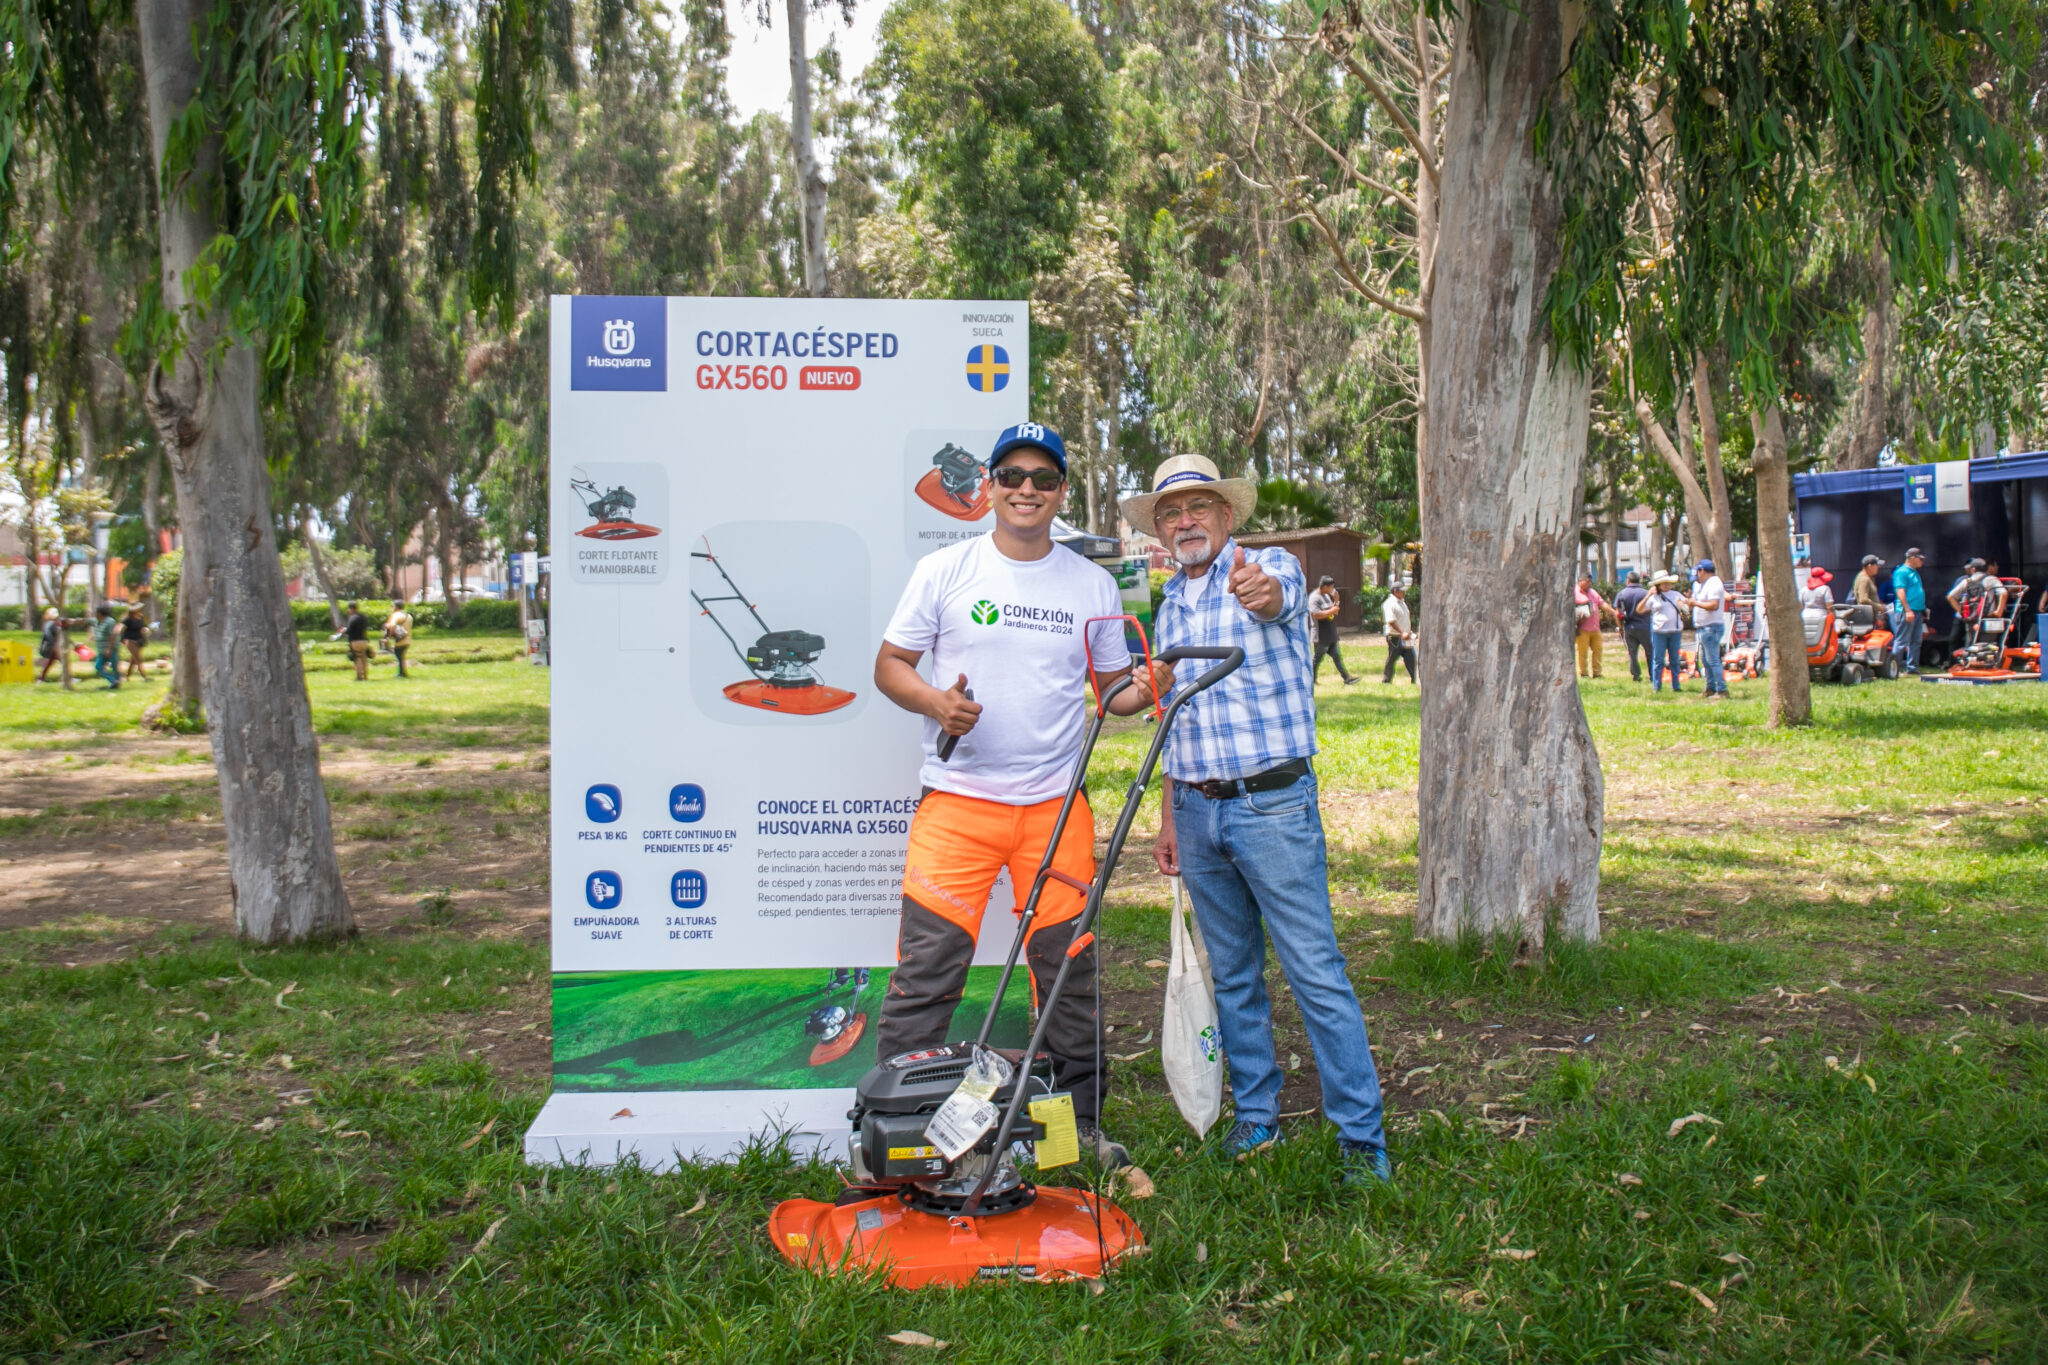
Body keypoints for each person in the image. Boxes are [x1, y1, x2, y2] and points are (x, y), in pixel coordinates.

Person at [875, 422, 1166, 1168]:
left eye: (1043, 477)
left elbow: (1112, 692)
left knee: (1067, 976)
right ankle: (894, 1138)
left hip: (1055, 810)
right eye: (1012, 476)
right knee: (927, 973)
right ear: (990, 487)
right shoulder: (945, 569)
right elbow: (890, 664)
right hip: (958, 806)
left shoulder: (1091, 583)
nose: (1026, 489)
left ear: (1061, 490)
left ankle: (1076, 1134)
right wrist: (936, 702)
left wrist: (1145, 685)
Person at [1127, 454, 1391, 1187]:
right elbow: (1176, 716)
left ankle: (1361, 1136)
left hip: (1270, 804)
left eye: (1199, 508)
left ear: (1226, 515)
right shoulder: (1169, 605)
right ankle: (1257, 1116)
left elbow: (1279, 598)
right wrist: (1169, 816)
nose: (1185, 522)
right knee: (1234, 973)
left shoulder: (1267, 566)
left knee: (1314, 971)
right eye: (1171, 513)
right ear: (1159, 529)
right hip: (1196, 807)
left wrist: (1265, 593)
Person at [1686, 559, 1730, 700]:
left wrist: (1696, 603)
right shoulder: (1700, 585)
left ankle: (1722, 690)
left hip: (1711, 627)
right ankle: (1710, 688)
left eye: (1698, 572)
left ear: (1702, 571)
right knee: (1705, 660)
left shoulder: (1714, 583)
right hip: (1702, 627)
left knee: (1713, 660)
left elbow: (1714, 605)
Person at [1307, 575, 1357, 685]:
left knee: (1337, 657)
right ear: (1324, 586)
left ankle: (1347, 678)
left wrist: (1336, 600)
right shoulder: (1314, 598)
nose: (1332, 589)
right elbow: (1316, 614)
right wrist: (1331, 610)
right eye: (1331, 587)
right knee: (1317, 659)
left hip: (1330, 632)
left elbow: (1335, 611)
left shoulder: (1326, 596)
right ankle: (1310, 680)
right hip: (1321, 634)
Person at [1646, 572, 1686, 693]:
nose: (1667, 585)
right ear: (1658, 585)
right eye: (1664, 583)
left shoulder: (1676, 595)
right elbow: (1641, 609)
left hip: (1674, 631)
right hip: (1659, 632)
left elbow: (1686, 607)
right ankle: (1656, 686)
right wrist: (1648, 595)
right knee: (1658, 660)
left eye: (1669, 583)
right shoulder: (1653, 597)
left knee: (1675, 659)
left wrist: (1684, 605)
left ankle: (1676, 685)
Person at [1947, 558, 1991, 661]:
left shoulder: (1981, 580)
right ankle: (1953, 661)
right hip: (1966, 616)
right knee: (1956, 640)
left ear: (1973, 569)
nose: (1968, 569)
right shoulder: (1963, 580)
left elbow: (1951, 596)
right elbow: (1951, 597)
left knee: (1975, 642)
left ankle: (1975, 661)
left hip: (1976, 617)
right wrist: (1961, 611)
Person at [1891, 548, 1927, 672]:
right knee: (1901, 641)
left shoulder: (1914, 572)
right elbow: (1900, 591)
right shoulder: (1902, 572)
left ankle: (1912, 667)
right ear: (1912, 558)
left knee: (1916, 641)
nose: (1922, 561)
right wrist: (1907, 610)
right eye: (1920, 559)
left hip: (1917, 611)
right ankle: (1894, 668)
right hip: (1906, 611)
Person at [1613, 571, 1651, 682]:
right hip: (1646, 627)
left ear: (1628, 580)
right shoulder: (1646, 593)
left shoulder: (1622, 594)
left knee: (1632, 653)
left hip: (1629, 627)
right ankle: (1653, 675)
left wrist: (1620, 628)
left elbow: (1617, 613)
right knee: (1650, 652)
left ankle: (1636, 675)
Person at [1574, 573, 1611, 679]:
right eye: (1587, 581)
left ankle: (1597, 673)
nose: (1589, 584)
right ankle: (1583, 673)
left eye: (1590, 581)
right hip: (1582, 629)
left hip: (1595, 628)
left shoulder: (1593, 592)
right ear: (1580, 581)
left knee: (1598, 651)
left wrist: (1613, 612)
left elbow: (1602, 603)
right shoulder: (1574, 593)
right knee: (1582, 653)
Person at [1380, 582, 1416, 684]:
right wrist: (1402, 633)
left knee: (1410, 658)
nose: (1404, 593)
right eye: (1402, 591)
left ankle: (1415, 679)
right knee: (1392, 658)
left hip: (1405, 636)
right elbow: (1391, 621)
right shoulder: (1390, 603)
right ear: (1396, 592)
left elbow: (1404, 619)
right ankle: (1386, 680)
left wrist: (1408, 632)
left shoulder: (1402, 603)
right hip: (1395, 636)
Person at [333, 601, 372, 680]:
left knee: (358, 659)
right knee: (364, 658)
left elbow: (349, 630)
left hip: (355, 641)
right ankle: (365, 675)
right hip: (364, 641)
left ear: (351, 609)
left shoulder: (352, 618)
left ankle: (359, 676)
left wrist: (343, 631)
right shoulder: (363, 617)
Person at [87, 604, 121, 689]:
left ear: (100, 613)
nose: (95, 614)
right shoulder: (96, 621)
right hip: (101, 650)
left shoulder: (110, 621)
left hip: (111, 649)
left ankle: (115, 684)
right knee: (98, 667)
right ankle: (114, 681)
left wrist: (109, 649)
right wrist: (71, 621)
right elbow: (84, 621)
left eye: (96, 612)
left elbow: (113, 635)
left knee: (114, 667)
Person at [383, 603, 414, 678]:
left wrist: (387, 637)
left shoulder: (396, 615)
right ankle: (403, 672)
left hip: (400, 639)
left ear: (396, 607)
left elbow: (391, 625)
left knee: (399, 656)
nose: (392, 608)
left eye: (392, 606)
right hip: (407, 638)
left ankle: (402, 673)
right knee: (401, 656)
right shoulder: (408, 615)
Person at [1851, 555, 1886, 622]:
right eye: (1876, 565)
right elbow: (1863, 600)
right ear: (1870, 566)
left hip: (1870, 616)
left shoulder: (1868, 578)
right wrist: (1880, 607)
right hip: (1866, 618)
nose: (1878, 567)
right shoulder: (1864, 579)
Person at [121, 607, 149, 680]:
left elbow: (143, 627)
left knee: (133, 660)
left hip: (139, 641)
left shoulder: (140, 618)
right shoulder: (128, 619)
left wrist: (145, 630)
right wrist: (122, 639)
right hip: (130, 641)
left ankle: (127, 676)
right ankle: (144, 676)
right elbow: (122, 629)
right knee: (138, 659)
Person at [36, 606, 63, 682]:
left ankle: (41, 678)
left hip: (53, 646)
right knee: (63, 662)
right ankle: (66, 678)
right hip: (52, 647)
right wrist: (53, 644)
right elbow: (48, 635)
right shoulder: (50, 624)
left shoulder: (53, 623)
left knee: (50, 663)